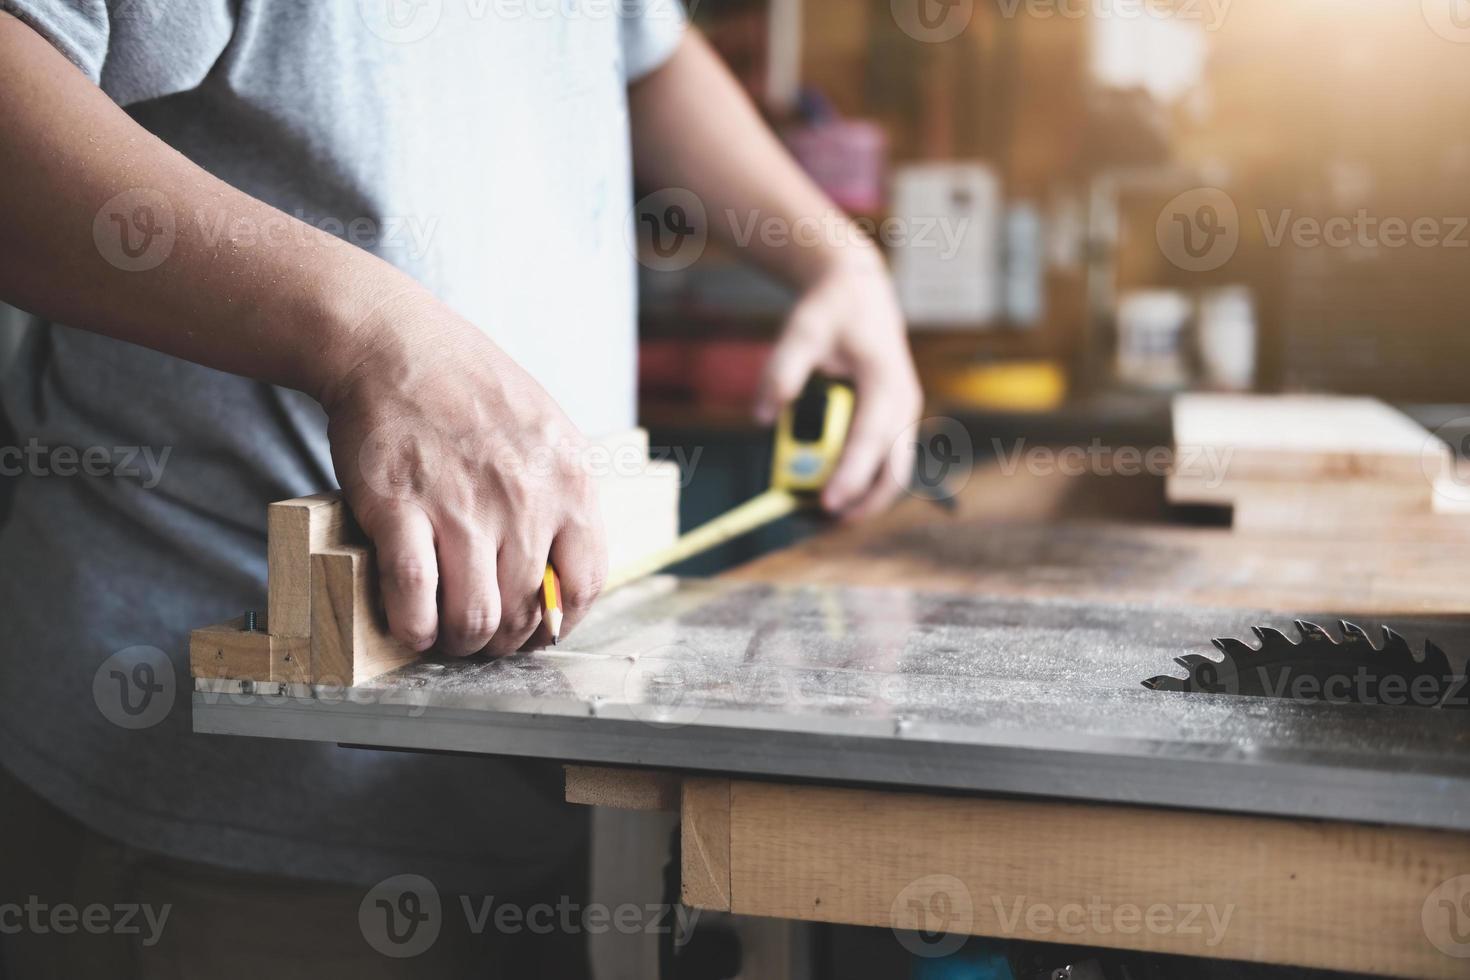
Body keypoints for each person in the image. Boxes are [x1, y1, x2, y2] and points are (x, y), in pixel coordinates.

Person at [0, 1, 921, 975]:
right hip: (220, 792)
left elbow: (644, 51)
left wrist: (838, 259)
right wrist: (371, 336)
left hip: (531, 768)